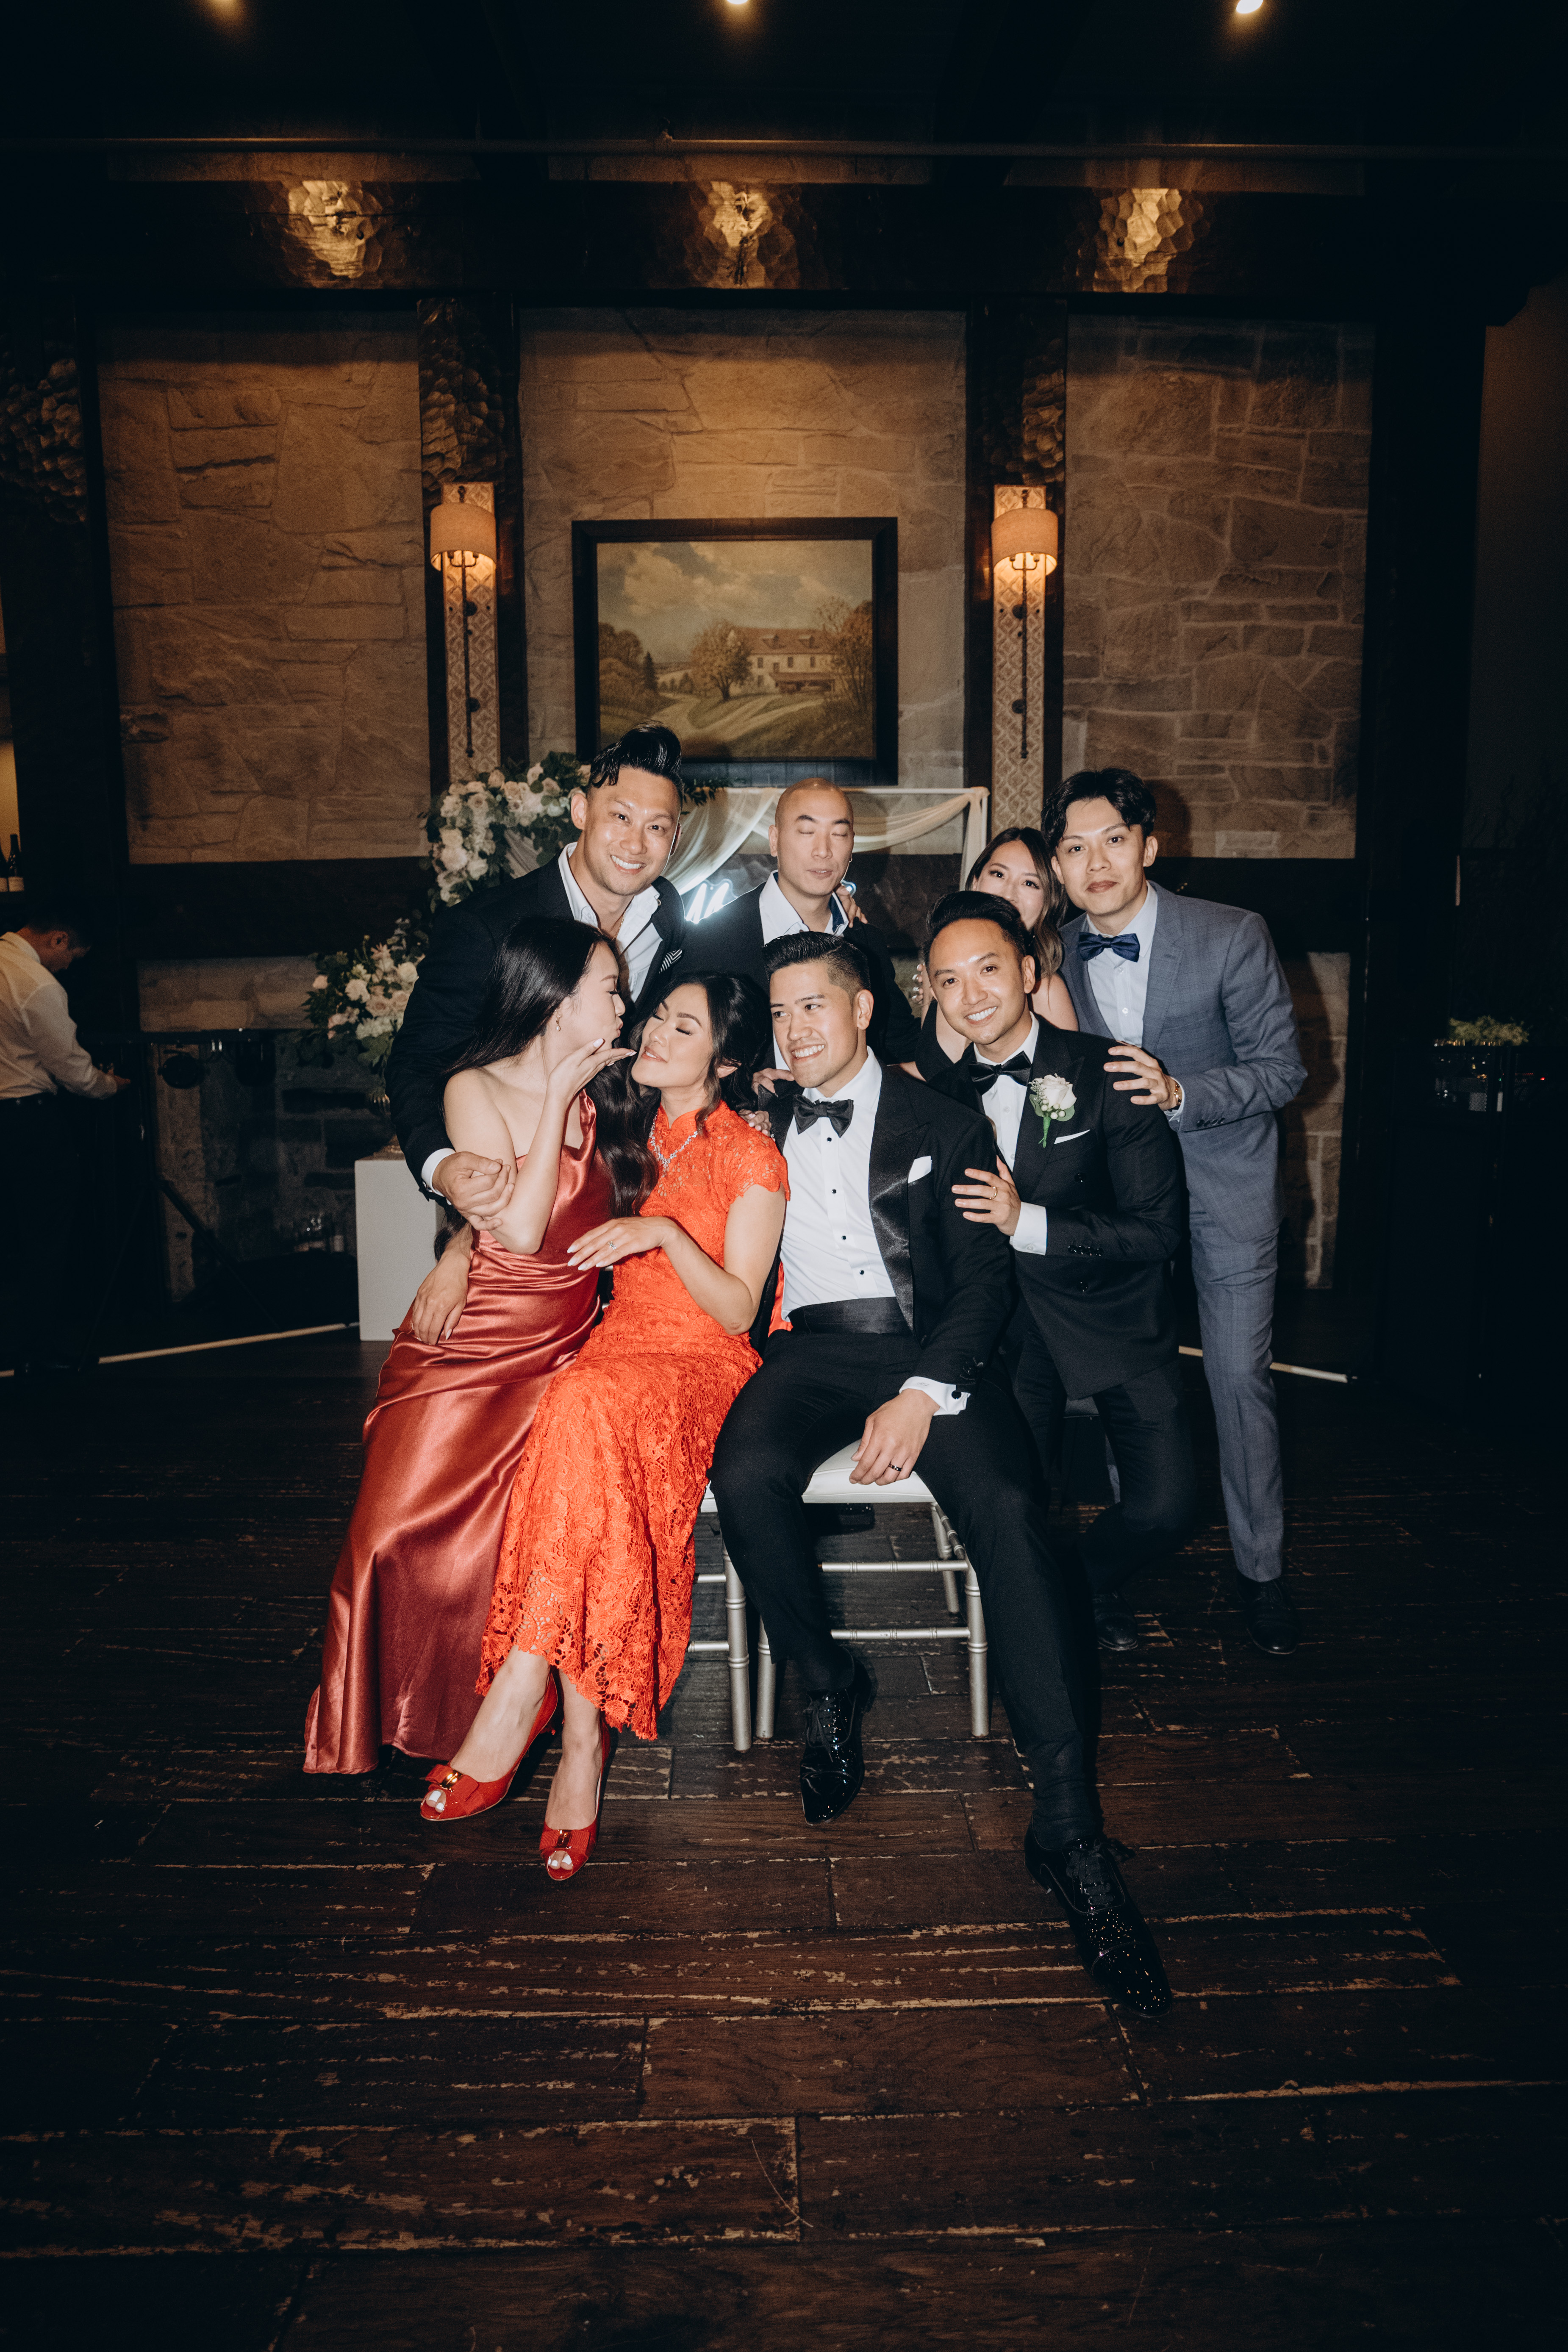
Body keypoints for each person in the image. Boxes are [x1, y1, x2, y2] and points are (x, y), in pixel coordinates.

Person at [709, 931, 1172, 2019]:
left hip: (931, 1351)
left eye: (814, 1006)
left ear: (863, 1009)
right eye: (780, 1012)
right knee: (745, 1474)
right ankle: (829, 1684)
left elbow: (980, 1288)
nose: (795, 1029)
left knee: (1010, 1510)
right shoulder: (757, 1113)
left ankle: (1067, 1829)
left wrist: (922, 1392)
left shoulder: (949, 1123)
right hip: (806, 1353)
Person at [422, 972, 788, 1885]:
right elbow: (520, 1195)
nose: (655, 1031)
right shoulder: (616, 1123)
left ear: (726, 1060)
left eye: (683, 1026)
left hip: (699, 1364)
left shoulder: (749, 1152)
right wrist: (459, 1248)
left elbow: (739, 1309)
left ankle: (523, 1685)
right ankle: (581, 1741)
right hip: (611, 1353)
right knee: (581, 1422)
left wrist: (663, 1236)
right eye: (656, 1014)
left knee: (577, 1407)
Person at [304, 920, 636, 1775]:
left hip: (559, 1351)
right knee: (387, 1534)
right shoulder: (472, 1087)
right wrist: (554, 1099)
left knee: (499, 1542)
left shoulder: (613, 1092)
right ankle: (385, 1715)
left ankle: (491, 1720)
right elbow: (518, 1231)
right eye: (609, 989)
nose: (622, 1006)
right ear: (556, 1000)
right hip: (473, 1341)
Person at [1045, 768, 1308, 1657]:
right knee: (1132, 1389)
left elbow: (1281, 1069)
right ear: (1057, 866)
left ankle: (1261, 1573)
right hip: (1121, 1209)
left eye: (1113, 841)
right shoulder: (1051, 957)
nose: (1096, 862)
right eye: (1075, 847)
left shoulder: (1231, 933)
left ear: (1148, 847)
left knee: (1236, 1381)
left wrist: (1179, 1092)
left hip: (1226, 1190)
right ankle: (1123, 1561)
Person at [921, 890, 1196, 1653]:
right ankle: (1045, 1620)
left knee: (1167, 1507)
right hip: (1008, 1336)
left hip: (1114, 1314)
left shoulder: (1109, 1072)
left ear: (1029, 970)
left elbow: (1158, 1230)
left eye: (987, 969)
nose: (971, 995)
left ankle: (1083, 1581)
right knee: (1021, 1504)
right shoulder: (935, 1102)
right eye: (949, 980)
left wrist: (1028, 1223)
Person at [387, 724, 689, 1245]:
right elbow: (417, 1061)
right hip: (515, 1213)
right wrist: (442, 1167)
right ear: (580, 811)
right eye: (620, 817)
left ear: (674, 838)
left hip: (619, 1201)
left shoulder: (668, 915)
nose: (636, 843)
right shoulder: (487, 926)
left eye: (656, 827)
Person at [680, 778, 923, 1070]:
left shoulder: (866, 941)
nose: (823, 850)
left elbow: (900, 1045)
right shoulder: (712, 941)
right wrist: (744, 1084)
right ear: (774, 840)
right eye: (807, 832)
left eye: (839, 834)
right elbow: (683, 1051)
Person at [0, 902, 129, 1376]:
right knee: (45, 1238)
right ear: (58, 938)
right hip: (25, 1121)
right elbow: (70, 1067)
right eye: (72, 955)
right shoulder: (36, 984)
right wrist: (109, 1085)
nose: (68, 966)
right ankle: (37, 1350)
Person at [913, 827, 1077, 1072]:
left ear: (1049, 901)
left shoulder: (1046, 990)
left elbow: (1067, 1082)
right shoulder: (938, 973)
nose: (1008, 894)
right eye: (999, 874)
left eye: (1030, 883)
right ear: (976, 881)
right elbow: (932, 1075)